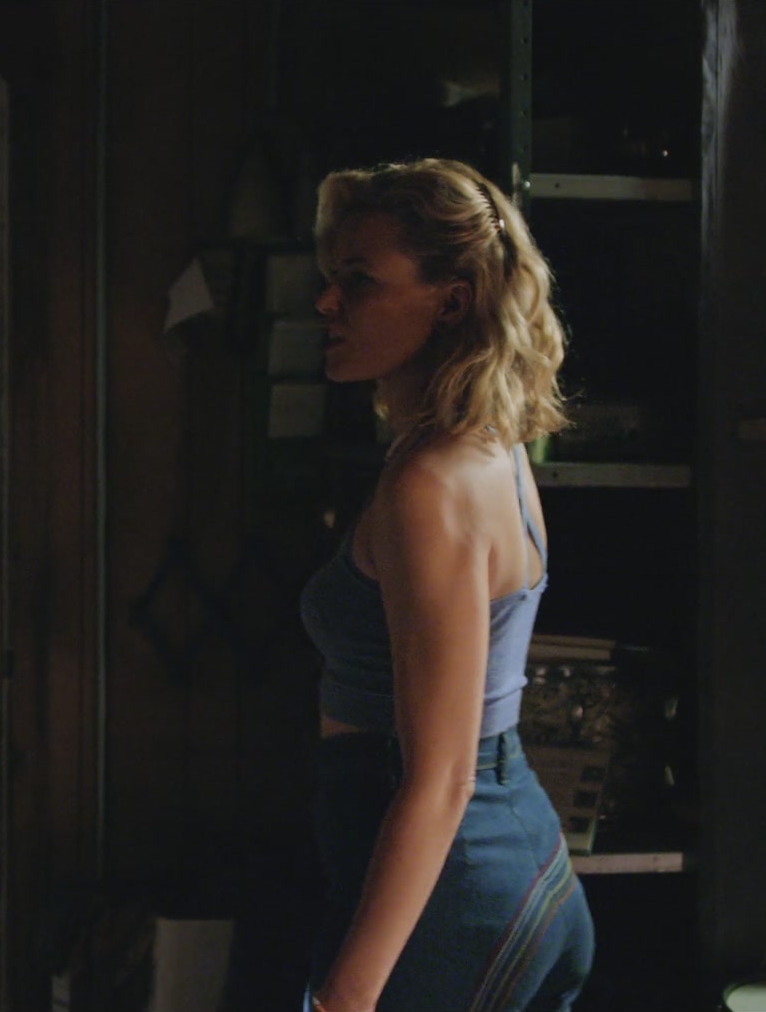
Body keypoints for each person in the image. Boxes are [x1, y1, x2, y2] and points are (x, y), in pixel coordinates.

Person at [298, 158, 594, 1012]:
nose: (327, 303)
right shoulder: (489, 448)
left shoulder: (431, 484)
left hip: (455, 893)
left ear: (451, 302)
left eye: (360, 280)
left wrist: (346, 998)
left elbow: (442, 778)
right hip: (506, 866)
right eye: (332, 277)